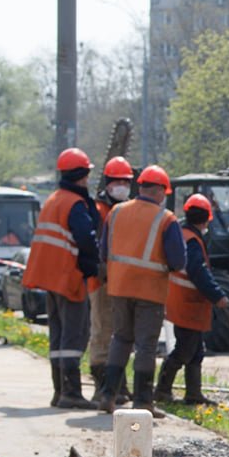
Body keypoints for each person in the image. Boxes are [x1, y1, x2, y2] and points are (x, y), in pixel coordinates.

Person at [95, 164, 185, 418]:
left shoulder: (116, 212)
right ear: (160, 191)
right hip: (150, 290)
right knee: (145, 346)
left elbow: (103, 252)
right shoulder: (165, 219)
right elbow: (178, 261)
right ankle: (143, 402)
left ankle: (107, 395)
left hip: (119, 286)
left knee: (121, 338)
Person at [22, 147, 102, 410]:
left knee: (57, 335)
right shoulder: (75, 203)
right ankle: (71, 392)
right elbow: (86, 240)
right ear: (82, 175)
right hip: (69, 277)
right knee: (75, 335)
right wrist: (96, 265)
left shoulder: (54, 199)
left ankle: (59, 391)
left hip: (50, 278)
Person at [156, 194, 229, 405]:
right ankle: (162, 390)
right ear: (207, 218)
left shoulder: (184, 235)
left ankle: (193, 393)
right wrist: (218, 296)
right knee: (184, 350)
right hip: (187, 303)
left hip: (185, 302)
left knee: (196, 350)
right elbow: (199, 273)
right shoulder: (193, 241)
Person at [86, 156, 134, 407]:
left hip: (121, 282)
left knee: (119, 334)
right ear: (107, 183)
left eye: (125, 181)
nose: (121, 186)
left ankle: (118, 386)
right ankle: (102, 387)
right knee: (102, 332)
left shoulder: (124, 210)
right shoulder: (98, 210)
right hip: (102, 281)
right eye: (116, 181)